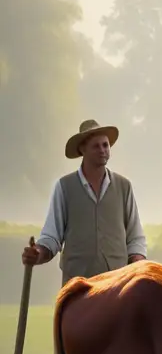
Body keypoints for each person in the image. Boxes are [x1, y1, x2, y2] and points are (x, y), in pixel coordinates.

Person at [23, 119, 147, 282]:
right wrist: (37, 254)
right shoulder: (65, 187)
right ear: (83, 149)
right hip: (77, 286)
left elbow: (135, 237)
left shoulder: (124, 187)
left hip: (116, 287)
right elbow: (51, 236)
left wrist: (138, 262)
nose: (103, 150)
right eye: (96, 146)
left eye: (105, 145)